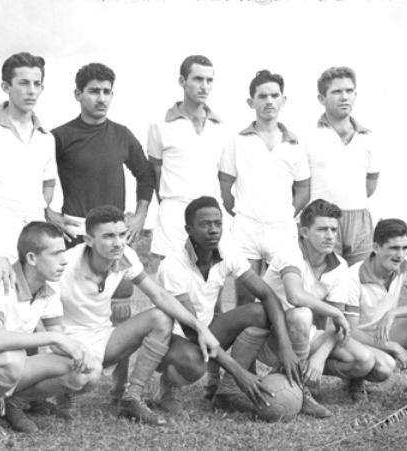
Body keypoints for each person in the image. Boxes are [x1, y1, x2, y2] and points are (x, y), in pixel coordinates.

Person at [0, 205, 221, 426]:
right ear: (89, 240)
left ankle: (132, 397)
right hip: (65, 342)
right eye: (108, 236)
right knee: (86, 375)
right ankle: (24, 400)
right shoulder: (64, 265)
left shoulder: (125, 256)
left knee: (161, 317)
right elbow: (32, 301)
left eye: (121, 234)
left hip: (104, 338)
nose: (118, 242)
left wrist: (200, 327)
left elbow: (159, 294)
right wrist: (0, 259)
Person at [51, 62, 156, 401]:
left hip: (114, 238)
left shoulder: (122, 134)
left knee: (119, 305)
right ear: (78, 94)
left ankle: (120, 387)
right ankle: (59, 385)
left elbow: (146, 174)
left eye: (107, 91)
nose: (101, 98)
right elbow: (32, 174)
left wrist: (139, 216)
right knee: (62, 311)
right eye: (94, 91)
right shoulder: (60, 136)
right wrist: (48, 214)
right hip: (74, 233)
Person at [0, 222, 98, 441]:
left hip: (9, 366)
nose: (64, 260)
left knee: (88, 371)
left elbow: (57, 342)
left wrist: (80, 350)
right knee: (12, 357)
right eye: (56, 254)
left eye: (64, 252)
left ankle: (14, 404)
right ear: (32, 258)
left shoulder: (49, 289)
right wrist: (55, 337)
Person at [154, 196, 301, 414]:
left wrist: (285, 346)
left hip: (206, 330)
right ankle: (167, 387)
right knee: (195, 363)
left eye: (217, 223)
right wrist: (238, 372)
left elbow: (267, 295)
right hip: (174, 338)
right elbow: (192, 330)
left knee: (260, 312)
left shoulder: (227, 253)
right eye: (205, 224)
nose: (213, 230)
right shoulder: (172, 265)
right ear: (189, 229)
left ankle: (226, 393)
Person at [259, 199, 376, 417]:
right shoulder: (290, 251)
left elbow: (336, 327)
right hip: (270, 338)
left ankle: (296, 375)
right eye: (322, 229)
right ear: (304, 232)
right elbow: (295, 295)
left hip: (304, 338)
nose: (330, 235)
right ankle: (302, 390)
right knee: (302, 314)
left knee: (364, 360)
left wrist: (319, 357)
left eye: (333, 229)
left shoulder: (339, 265)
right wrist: (334, 311)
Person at [0, 52, 58, 280]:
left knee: (32, 304)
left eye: (37, 84)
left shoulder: (46, 138)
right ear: (6, 86)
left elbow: (48, 187)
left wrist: (32, 216)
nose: (31, 90)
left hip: (33, 233)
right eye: (23, 83)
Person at [219, 70, 310, 303]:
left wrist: (286, 214)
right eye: (262, 96)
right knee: (245, 299)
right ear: (251, 102)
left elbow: (303, 189)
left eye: (274, 95)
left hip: (281, 229)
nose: (269, 101)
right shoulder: (237, 141)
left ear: (283, 100)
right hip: (246, 228)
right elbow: (225, 186)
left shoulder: (294, 144)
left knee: (281, 299)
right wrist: (242, 212)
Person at [347, 218, 407, 407]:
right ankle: (355, 379)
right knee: (384, 368)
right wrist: (392, 346)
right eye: (394, 248)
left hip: (381, 335)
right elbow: (350, 331)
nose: (400, 255)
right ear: (376, 247)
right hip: (356, 342)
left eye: (405, 248)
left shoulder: (405, 264)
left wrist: (393, 313)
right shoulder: (353, 276)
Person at [147, 55, 229, 258]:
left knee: (210, 282)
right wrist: (171, 204)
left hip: (210, 214)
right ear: (182, 81)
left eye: (209, 80)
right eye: (198, 79)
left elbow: (223, 177)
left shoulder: (222, 128)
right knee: (170, 284)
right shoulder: (160, 125)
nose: (204, 86)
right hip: (174, 216)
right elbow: (155, 172)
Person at [306, 67, 380, 266]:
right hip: (323, 219)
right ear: (322, 98)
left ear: (356, 95)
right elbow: (299, 185)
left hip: (360, 221)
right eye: (337, 92)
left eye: (349, 91)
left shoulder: (369, 138)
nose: (344, 97)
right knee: (324, 285)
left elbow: (370, 185)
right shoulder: (309, 137)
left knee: (361, 287)